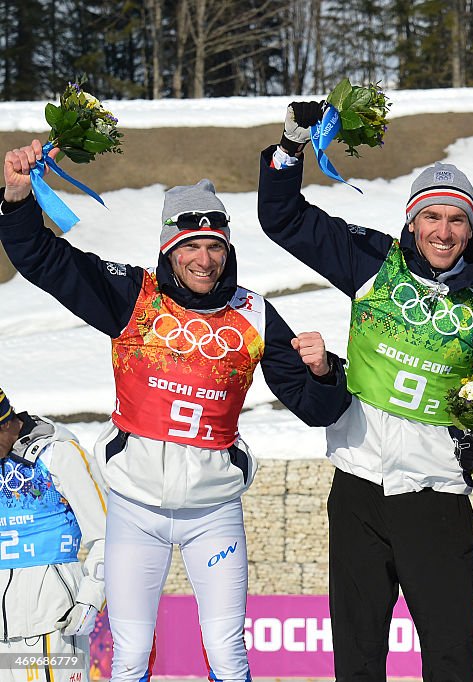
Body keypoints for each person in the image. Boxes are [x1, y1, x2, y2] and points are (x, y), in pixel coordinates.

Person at [1, 139, 350, 682]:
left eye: (215, 246)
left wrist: (326, 373)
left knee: (229, 650)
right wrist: (20, 202)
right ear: (169, 250)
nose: (205, 260)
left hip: (213, 513)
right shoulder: (132, 296)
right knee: (132, 653)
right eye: (192, 246)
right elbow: (46, 261)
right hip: (136, 510)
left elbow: (315, 407)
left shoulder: (254, 313)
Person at [258, 102, 473, 681]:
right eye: (432, 217)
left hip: (437, 496)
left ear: (471, 228)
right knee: (357, 658)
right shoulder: (372, 261)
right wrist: (290, 145)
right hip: (359, 492)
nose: (443, 232)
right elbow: (283, 219)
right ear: (412, 223)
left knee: (451, 657)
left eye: (457, 220)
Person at [0, 386, 107, 682]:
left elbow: (108, 535)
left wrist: (90, 598)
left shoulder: (58, 454)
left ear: (7, 422)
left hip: (54, 620)